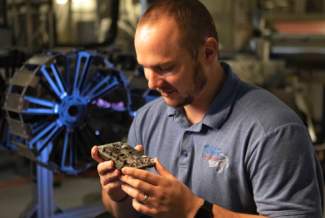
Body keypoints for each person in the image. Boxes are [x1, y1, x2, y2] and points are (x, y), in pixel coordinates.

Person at [91, 0, 324, 217]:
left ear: (208, 52)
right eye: (145, 68)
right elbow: (125, 212)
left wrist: (191, 209)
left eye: (166, 67)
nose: (152, 83)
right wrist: (118, 194)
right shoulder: (147, 118)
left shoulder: (273, 131)